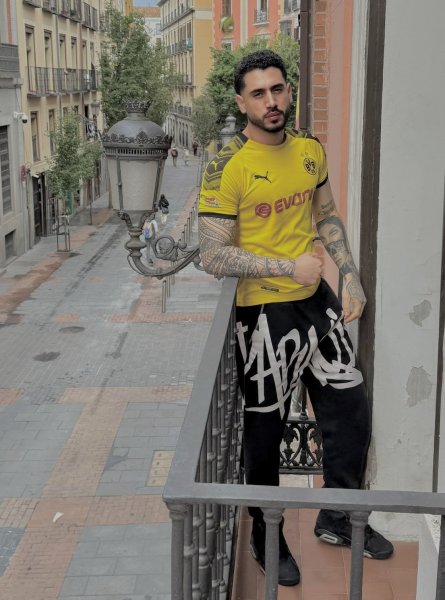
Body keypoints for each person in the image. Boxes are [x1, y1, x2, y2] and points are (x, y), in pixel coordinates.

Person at [198, 50, 393, 587]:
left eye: (278, 89)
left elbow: (325, 213)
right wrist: (288, 266)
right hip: (262, 312)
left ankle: (338, 517)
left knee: (350, 408)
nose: (272, 101)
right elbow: (212, 255)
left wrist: (349, 274)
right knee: (266, 430)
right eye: (258, 93)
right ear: (242, 102)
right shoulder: (226, 166)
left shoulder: (310, 149)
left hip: (316, 301)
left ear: (290, 90)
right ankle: (267, 534)